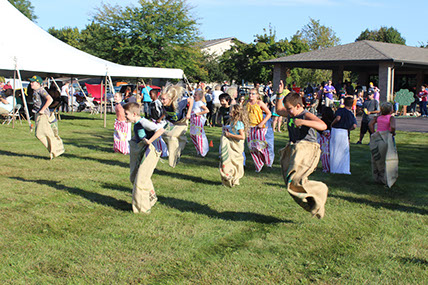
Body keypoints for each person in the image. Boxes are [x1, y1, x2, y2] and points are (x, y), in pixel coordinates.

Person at [275, 80, 328, 219]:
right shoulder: (290, 114)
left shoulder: (305, 114)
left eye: (289, 109)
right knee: (290, 182)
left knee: (295, 180)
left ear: (298, 106)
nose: (287, 111)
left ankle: (320, 191)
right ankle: (314, 203)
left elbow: (323, 126)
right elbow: (278, 110)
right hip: (295, 148)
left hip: (307, 149)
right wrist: (279, 93)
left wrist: (303, 122)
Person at [123, 102, 165, 213]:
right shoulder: (137, 123)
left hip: (150, 152)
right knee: (134, 177)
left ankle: (143, 209)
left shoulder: (143, 122)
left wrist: (149, 141)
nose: (125, 116)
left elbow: (160, 130)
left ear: (134, 114)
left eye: (126, 114)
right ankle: (151, 197)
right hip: (142, 151)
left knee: (140, 180)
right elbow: (140, 135)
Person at [30, 75, 64, 159]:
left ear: (38, 83)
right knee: (42, 134)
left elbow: (50, 99)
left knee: (41, 134)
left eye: (32, 82)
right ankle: (55, 150)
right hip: (38, 114)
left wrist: (42, 109)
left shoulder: (41, 90)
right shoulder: (36, 91)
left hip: (43, 115)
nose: (31, 84)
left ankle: (55, 150)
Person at [160, 83, 194, 168]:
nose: (162, 101)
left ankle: (173, 160)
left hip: (182, 122)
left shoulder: (179, 103)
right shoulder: (164, 105)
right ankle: (182, 142)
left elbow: (191, 100)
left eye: (164, 99)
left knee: (172, 136)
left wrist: (189, 113)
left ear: (170, 99)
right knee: (163, 135)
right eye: (161, 99)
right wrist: (161, 118)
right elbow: (166, 112)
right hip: (173, 123)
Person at [368, 102, 398, 188]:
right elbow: (392, 126)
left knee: (377, 158)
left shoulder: (378, 117)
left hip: (378, 137)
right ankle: (387, 178)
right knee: (388, 158)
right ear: (391, 110)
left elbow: (370, 124)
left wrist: (373, 132)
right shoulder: (391, 118)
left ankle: (378, 177)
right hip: (386, 138)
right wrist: (393, 132)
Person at [220, 104, 249, 187]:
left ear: (236, 113)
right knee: (228, 161)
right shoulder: (233, 122)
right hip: (231, 143)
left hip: (236, 145)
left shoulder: (239, 124)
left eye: (231, 113)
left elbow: (242, 137)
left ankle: (235, 178)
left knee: (235, 162)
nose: (229, 114)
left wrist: (230, 135)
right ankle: (229, 177)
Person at [246, 88, 272, 172]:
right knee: (251, 147)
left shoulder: (259, 103)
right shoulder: (247, 103)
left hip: (258, 127)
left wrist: (262, 123)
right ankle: (258, 164)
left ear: (257, 95)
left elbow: (269, 113)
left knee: (260, 146)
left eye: (253, 94)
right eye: (249, 93)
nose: (251, 95)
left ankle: (267, 161)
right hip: (249, 127)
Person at [330, 97, 357, 174]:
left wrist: (332, 124)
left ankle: (334, 168)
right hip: (345, 131)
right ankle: (344, 169)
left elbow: (338, 118)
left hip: (337, 130)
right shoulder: (351, 113)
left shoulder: (340, 110)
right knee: (344, 151)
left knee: (335, 149)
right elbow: (354, 125)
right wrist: (349, 129)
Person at [147, 89, 168, 157]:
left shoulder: (158, 103)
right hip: (154, 122)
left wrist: (160, 118)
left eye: (151, 94)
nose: (150, 96)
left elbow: (165, 112)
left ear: (155, 94)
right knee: (154, 137)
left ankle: (164, 152)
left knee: (158, 137)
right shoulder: (151, 103)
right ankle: (156, 150)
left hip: (160, 122)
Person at [189, 89, 210, 157]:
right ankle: (198, 150)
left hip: (198, 121)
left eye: (195, 95)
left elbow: (207, 110)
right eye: (194, 94)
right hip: (193, 121)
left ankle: (203, 152)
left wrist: (199, 113)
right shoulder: (193, 102)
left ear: (199, 96)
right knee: (192, 135)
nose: (194, 96)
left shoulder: (200, 103)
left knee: (199, 136)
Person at [317, 107, 334, 173]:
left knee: (325, 154)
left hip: (324, 137)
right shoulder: (333, 119)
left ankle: (326, 167)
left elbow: (318, 128)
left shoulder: (321, 120)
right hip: (331, 136)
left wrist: (322, 132)